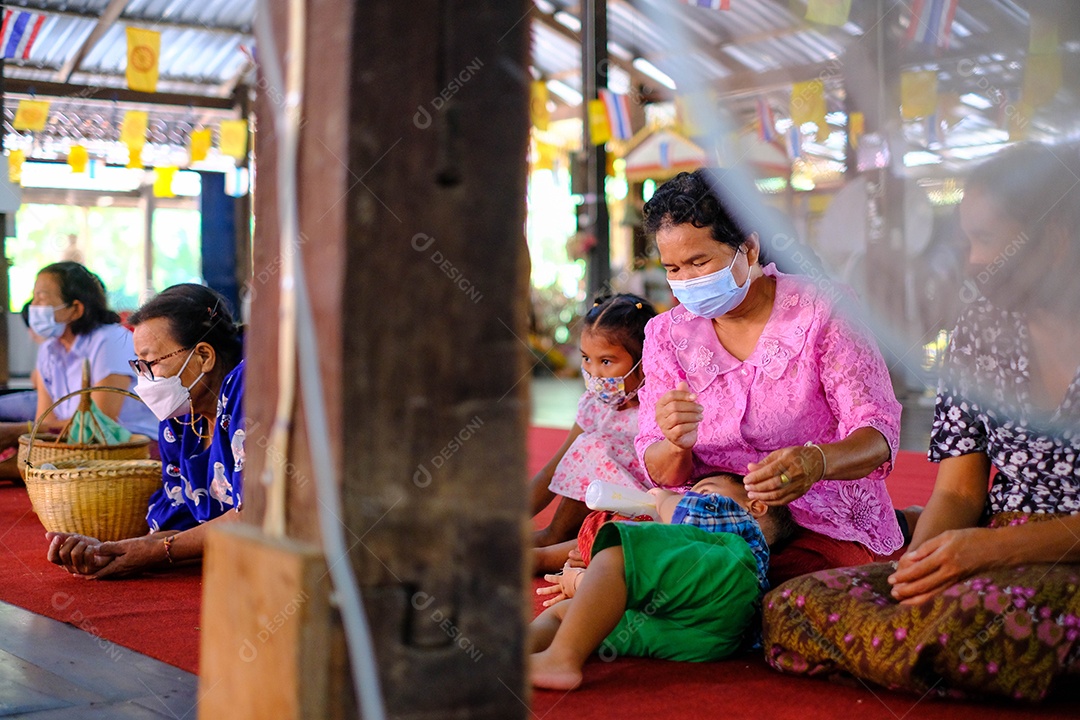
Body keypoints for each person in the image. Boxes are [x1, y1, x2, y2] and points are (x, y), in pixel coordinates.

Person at [761, 143, 1080, 701]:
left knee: (971, 618)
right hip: (990, 545)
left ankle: (930, 652)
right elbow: (959, 493)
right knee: (793, 607)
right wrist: (909, 576)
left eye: (987, 240)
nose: (974, 261)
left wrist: (990, 552)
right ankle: (946, 654)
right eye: (968, 241)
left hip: (1055, 557)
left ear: (1052, 241)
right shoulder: (980, 330)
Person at [636, 169, 907, 584]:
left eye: (699, 261)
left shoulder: (824, 310)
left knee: (772, 585)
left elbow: (878, 434)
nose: (686, 282)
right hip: (712, 520)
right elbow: (662, 471)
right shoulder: (665, 335)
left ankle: (903, 527)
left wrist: (816, 462)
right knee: (617, 542)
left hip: (818, 519)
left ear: (748, 247)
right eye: (673, 268)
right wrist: (675, 444)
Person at [46, 283, 245, 578]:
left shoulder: (247, 388)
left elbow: (256, 517)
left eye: (151, 363)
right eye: (139, 365)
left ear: (204, 356)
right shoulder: (181, 417)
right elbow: (182, 525)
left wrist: (155, 552)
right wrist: (109, 550)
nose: (144, 379)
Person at [529, 472, 795, 690]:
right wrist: (585, 583)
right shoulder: (682, 551)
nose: (690, 496)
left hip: (725, 582)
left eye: (702, 491)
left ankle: (561, 658)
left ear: (756, 506)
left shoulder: (735, 525)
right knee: (567, 615)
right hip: (701, 637)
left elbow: (689, 517)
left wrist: (666, 498)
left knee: (622, 546)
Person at [530, 294, 656, 573]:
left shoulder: (657, 408)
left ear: (646, 361)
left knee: (594, 446)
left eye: (607, 362)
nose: (594, 372)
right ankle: (551, 542)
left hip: (642, 511)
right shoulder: (595, 404)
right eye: (586, 358)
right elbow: (556, 467)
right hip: (598, 508)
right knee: (585, 446)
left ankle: (552, 543)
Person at [0, 263, 158, 456]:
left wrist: (17, 431)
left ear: (75, 309)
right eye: (34, 297)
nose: (33, 307)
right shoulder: (49, 349)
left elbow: (99, 423)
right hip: (76, 441)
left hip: (129, 443)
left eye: (41, 298)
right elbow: (46, 422)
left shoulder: (109, 341)